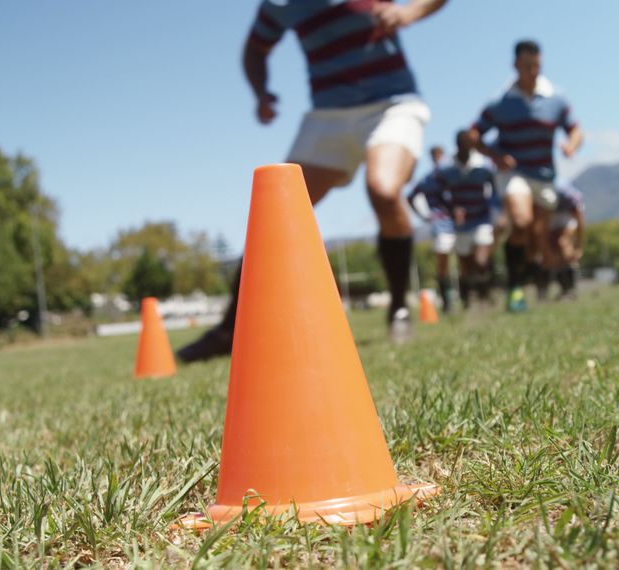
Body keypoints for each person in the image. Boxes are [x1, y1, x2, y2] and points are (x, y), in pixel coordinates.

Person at [178, 0, 448, 362]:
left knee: (383, 190)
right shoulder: (279, 4)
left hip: (391, 104)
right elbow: (254, 50)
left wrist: (409, 12)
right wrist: (261, 92)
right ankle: (230, 329)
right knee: (273, 213)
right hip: (327, 116)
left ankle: (398, 306)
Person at [468, 39, 583, 313]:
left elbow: (575, 130)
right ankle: (514, 288)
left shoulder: (556, 99)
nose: (533, 71)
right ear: (516, 65)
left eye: (537, 66)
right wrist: (495, 155)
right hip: (514, 172)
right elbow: (473, 135)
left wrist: (571, 145)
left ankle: (526, 274)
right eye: (528, 66)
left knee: (538, 235)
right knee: (520, 222)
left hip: (544, 176)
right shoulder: (500, 102)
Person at [433, 131, 498, 308]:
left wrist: (494, 207)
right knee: (467, 265)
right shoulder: (447, 169)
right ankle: (468, 298)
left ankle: (485, 295)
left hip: (481, 219)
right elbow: (435, 193)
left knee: (481, 260)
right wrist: (451, 209)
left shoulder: (483, 166)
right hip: (460, 225)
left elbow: (495, 189)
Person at [406, 154, 457, 312]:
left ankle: (472, 297)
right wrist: (423, 216)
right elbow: (410, 196)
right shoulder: (427, 180)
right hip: (440, 224)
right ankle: (447, 301)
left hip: (462, 223)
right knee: (443, 263)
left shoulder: (453, 175)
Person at [544, 183, 584, 300]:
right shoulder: (536, 193)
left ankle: (570, 289)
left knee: (563, 242)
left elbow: (580, 222)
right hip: (547, 214)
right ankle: (560, 287)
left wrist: (579, 246)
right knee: (552, 250)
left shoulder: (569, 196)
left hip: (566, 214)